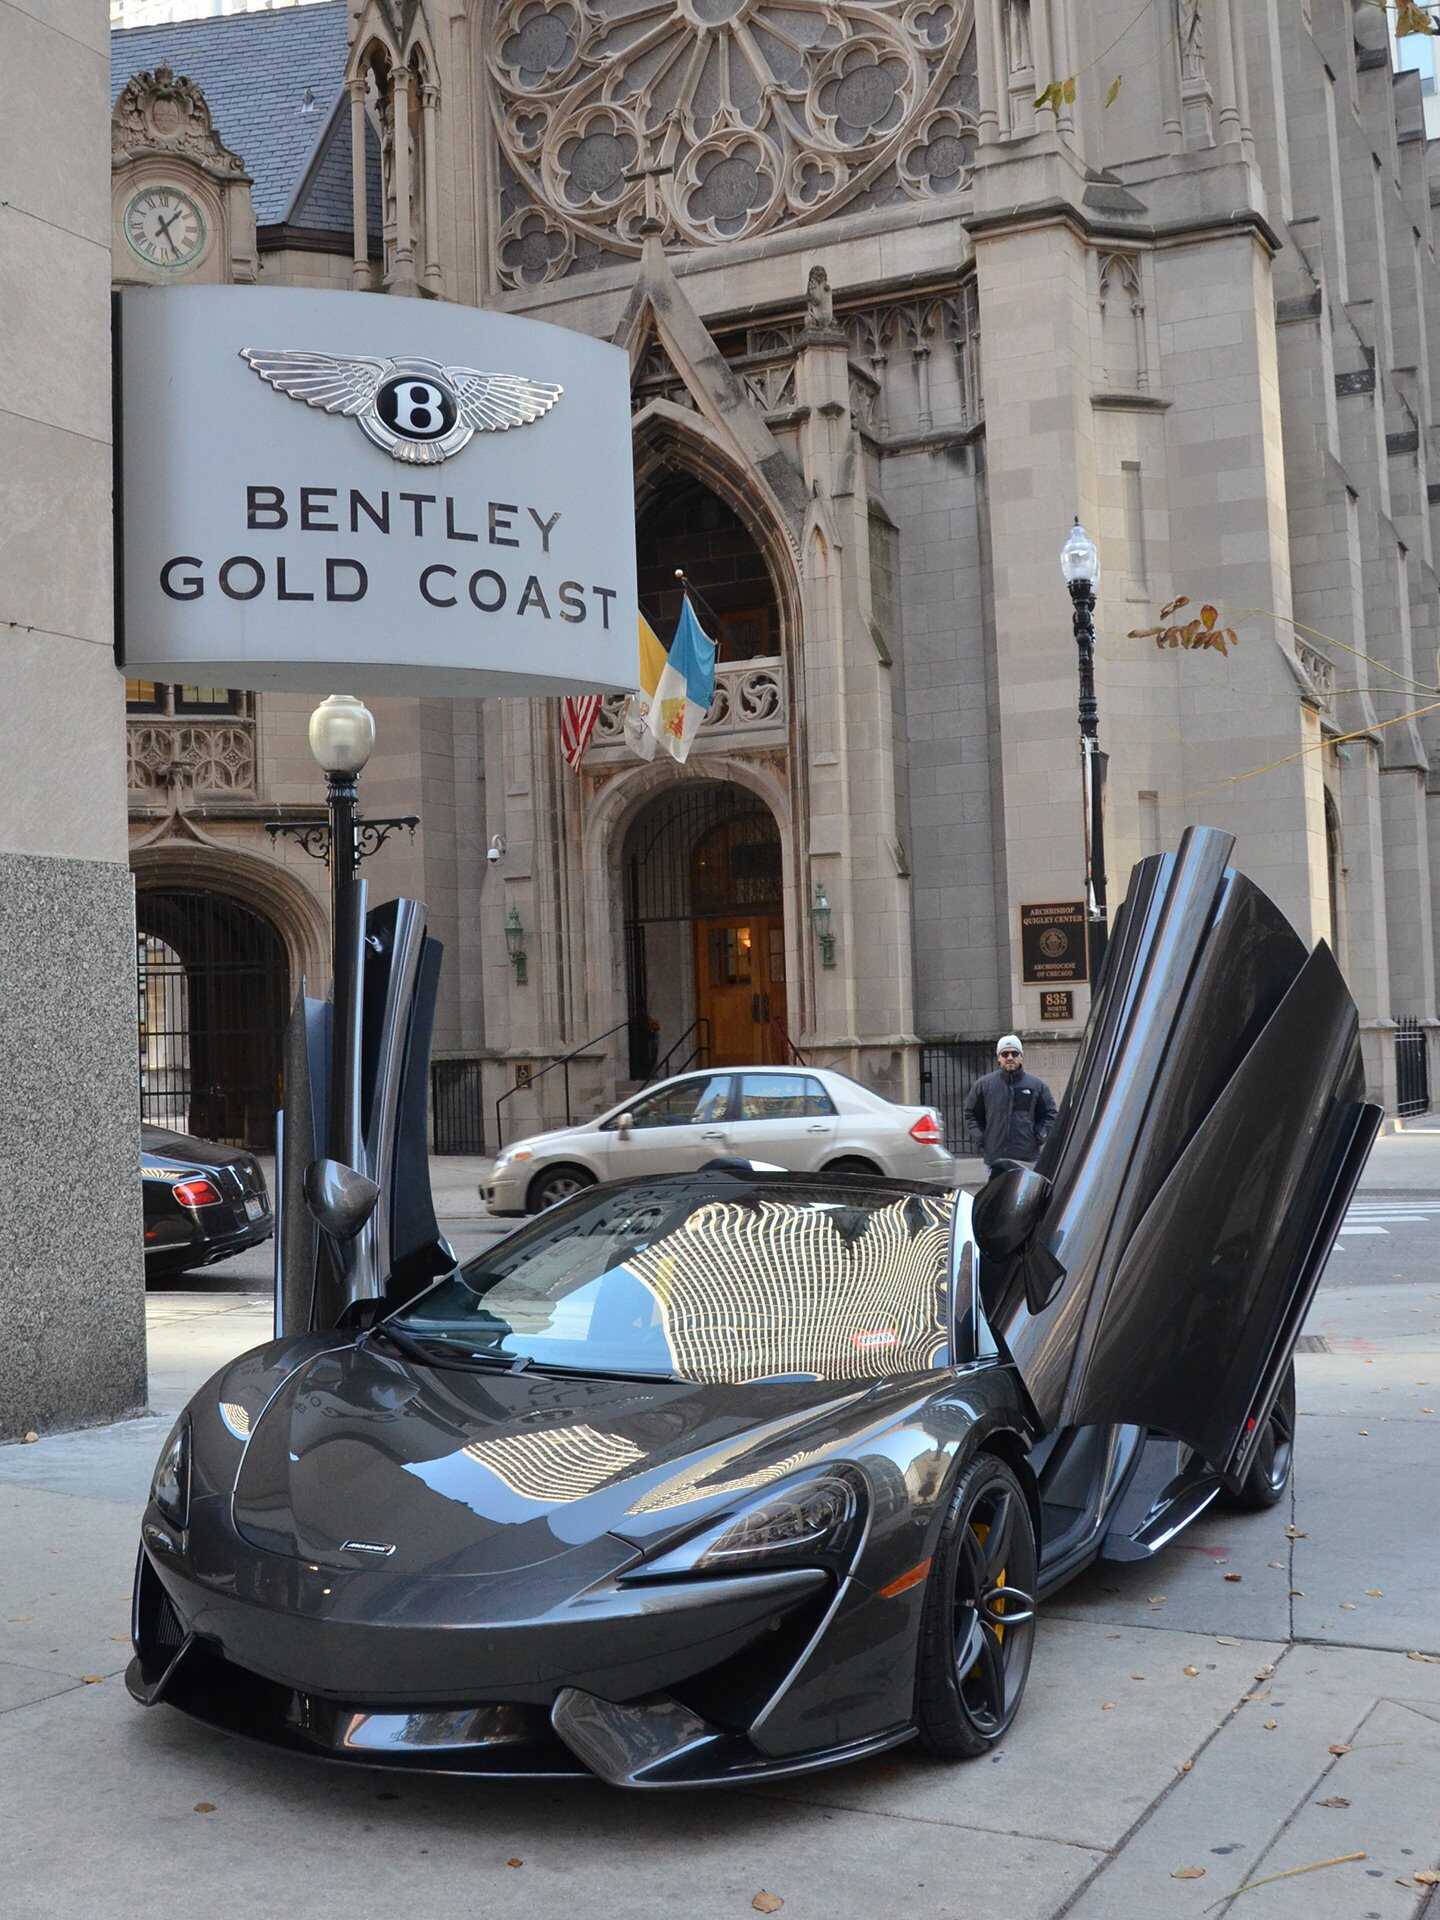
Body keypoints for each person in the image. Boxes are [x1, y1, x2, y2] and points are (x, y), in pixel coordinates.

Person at [963, 1035, 1058, 1173]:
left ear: (1021, 1056)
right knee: (997, 1188)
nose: (1010, 1057)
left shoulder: (1037, 1086)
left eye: (1014, 1053)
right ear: (998, 1058)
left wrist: (1040, 1135)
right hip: (995, 1158)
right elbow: (971, 1114)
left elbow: (1050, 1114)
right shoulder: (983, 1085)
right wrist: (982, 1138)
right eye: (1005, 1054)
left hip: (1027, 1158)